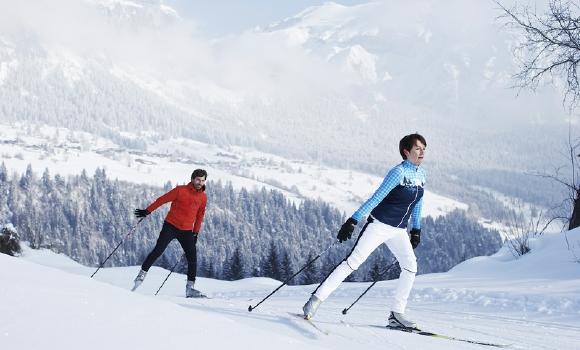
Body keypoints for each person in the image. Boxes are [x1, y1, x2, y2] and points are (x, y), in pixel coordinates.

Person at [302, 133, 427, 329]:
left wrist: (416, 230)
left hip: (399, 231)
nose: (422, 152)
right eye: (418, 148)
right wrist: (353, 220)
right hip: (379, 225)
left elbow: (418, 203)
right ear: (406, 151)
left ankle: (396, 314)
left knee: (410, 266)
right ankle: (315, 300)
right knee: (353, 263)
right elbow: (376, 198)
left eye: (424, 148)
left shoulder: (421, 174)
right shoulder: (398, 172)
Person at [132, 169, 208, 298]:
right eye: (198, 180)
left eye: (202, 180)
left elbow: (200, 215)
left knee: (192, 258)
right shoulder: (180, 190)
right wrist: (147, 211)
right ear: (192, 179)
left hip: (187, 231)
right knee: (158, 250)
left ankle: (190, 289)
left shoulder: (203, 197)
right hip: (171, 226)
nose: (200, 182)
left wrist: (195, 233)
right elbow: (162, 200)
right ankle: (141, 276)